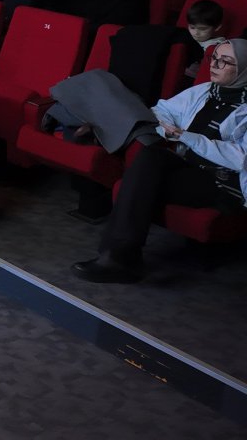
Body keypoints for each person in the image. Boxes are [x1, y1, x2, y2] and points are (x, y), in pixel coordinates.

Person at [72, 40, 247, 283]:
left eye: (226, 61)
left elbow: (240, 158)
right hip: (188, 166)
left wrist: (186, 137)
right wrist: (168, 129)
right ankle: (120, 258)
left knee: (139, 180)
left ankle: (119, 257)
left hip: (222, 181)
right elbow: (162, 110)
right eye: (214, 58)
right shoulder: (205, 90)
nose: (215, 65)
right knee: (150, 155)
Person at [184, 0, 226, 78]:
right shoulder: (185, 36)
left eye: (202, 29)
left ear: (217, 27)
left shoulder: (218, 45)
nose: (196, 33)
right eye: (192, 27)